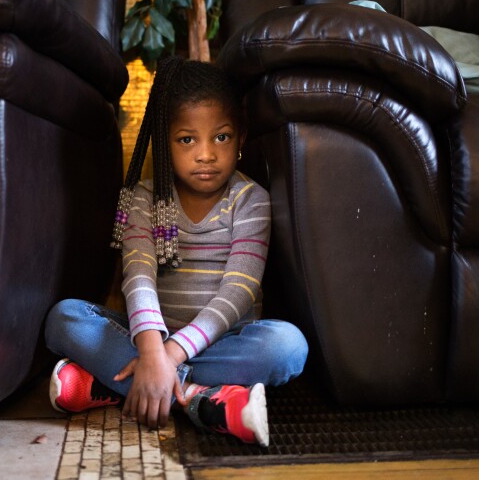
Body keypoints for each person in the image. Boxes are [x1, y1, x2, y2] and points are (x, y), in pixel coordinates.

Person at [44, 56, 308, 447]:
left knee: (288, 346)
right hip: (148, 339)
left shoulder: (250, 200)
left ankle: (120, 385)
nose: (206, 154)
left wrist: (168, 357)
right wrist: (152, 349)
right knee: (63, 318)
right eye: (187, 139)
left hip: (223, 340)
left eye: (221, 137)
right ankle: (199, 399)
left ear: (240, 136)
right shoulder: (145, 199)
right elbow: (138, 277)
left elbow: (239, 292)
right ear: (164, 143)